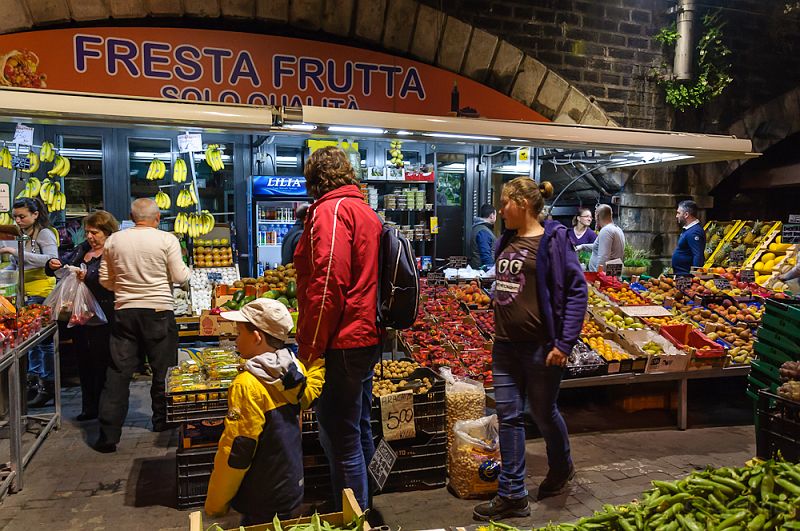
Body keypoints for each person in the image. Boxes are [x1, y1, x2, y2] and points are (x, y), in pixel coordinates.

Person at [473, 178, 587, 521]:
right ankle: (512, 494)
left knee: (542, 412)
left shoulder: (554, 240)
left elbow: (577, 292)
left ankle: (562, 465)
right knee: (508, 417)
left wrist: (564, 343)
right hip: (505, 346)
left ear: (522, 203)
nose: (500, 211)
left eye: (504, 203)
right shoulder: (505, 240)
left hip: (541, 347)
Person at [294, 146, 382, 511]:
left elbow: (328, 281)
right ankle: (366, 506)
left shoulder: (331, 211)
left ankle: (352, 518)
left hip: (343, 338)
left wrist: (310, 346)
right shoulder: (364, 210)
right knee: (358, 427)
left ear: (313, 179)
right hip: (366, 333)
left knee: (339, 436)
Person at [205, 299, 325, 525]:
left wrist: (216, 502)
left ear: (257, 337)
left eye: (239, 333)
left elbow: (237, 450)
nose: (235, 339)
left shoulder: (247, 385)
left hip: (260, 494)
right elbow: (309, 394)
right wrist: (318, 364)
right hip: (290, 483)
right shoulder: (293, 369)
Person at [94, 198, 191, 453]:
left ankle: (108, 436)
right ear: (157, 218)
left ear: (131, 217)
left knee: (118, 373)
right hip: (159, 311)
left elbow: (105, 279)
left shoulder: (114, 240)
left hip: (124, 312)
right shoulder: (166, 239)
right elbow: (180, 276)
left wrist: (124, 288)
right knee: (163, 370)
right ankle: (162, 422)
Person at [46, 211, 119, 421]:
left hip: (104, 315)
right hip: (79, 315)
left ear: (107, 232)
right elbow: (63, 263)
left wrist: (88, 276)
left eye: (95, 232)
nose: (89, 236)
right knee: (84, 361)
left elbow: (113, 280)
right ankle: (89, 406)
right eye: (87, 232)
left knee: (102, 362)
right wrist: (52, 264)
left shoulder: (113, 252)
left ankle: (106, 407)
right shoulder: (82, 249)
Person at [1, 197, 59, 407]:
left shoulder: (44, 234)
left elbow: (51, 259)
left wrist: (15, 251)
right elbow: (16, 266)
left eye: (22, 216)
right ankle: (32, 382)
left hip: (41, 293)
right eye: (15, 217)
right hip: (22, 294)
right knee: (28, 341)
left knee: (43, 342)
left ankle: (48, 385)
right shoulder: (19, 235)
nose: (18, 220)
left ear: (35, 214)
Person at [587, 204, 625, 272]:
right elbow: (601, 248)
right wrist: (582, 247)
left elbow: (603, 257)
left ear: (597, 216)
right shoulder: (618, 229)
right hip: (614, 272)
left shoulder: (606, 230)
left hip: (604, 276)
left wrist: (598, 275)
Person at [672, 200, 705, 276]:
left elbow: (698, 255)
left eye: (678, 213)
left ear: (686, 214)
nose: (676, 216)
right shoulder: (688, 230)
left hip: (686, 276)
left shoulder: (694, 232)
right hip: (681, 274)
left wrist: (695, 275)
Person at [470, 204, 496, 269]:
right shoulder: (483, 231)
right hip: (482, 271)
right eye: (495, 215)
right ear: (491, 215)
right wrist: (491, 269)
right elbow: (485, 255)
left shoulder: (478, 228)